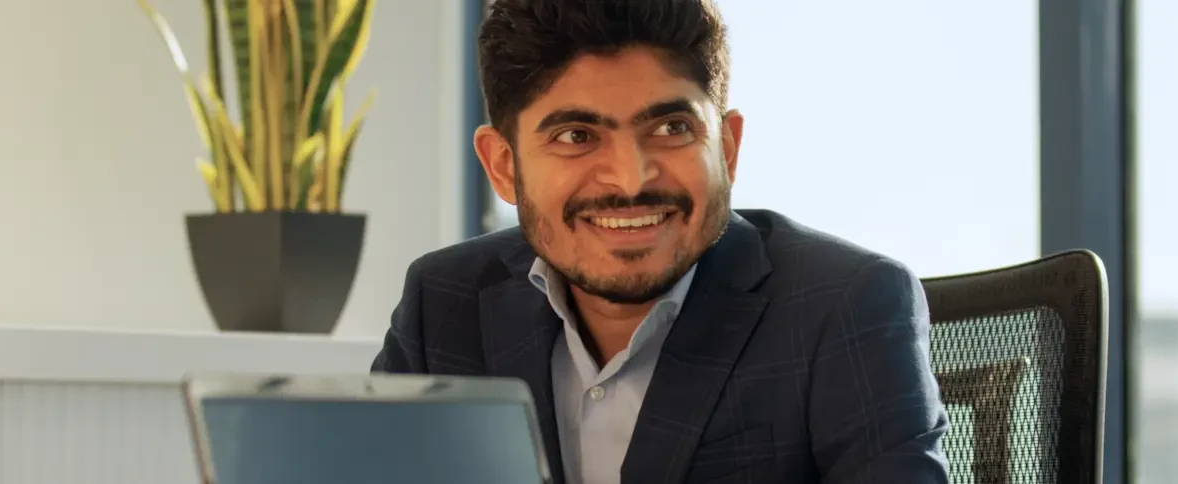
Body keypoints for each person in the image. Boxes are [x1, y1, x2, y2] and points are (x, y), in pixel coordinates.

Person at [369, 1, 951, 483]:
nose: (631, 179)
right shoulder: (444, 302)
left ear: (725, 147)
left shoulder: (845, 305)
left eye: (672, 129)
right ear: (502, 165)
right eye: (576, 136)